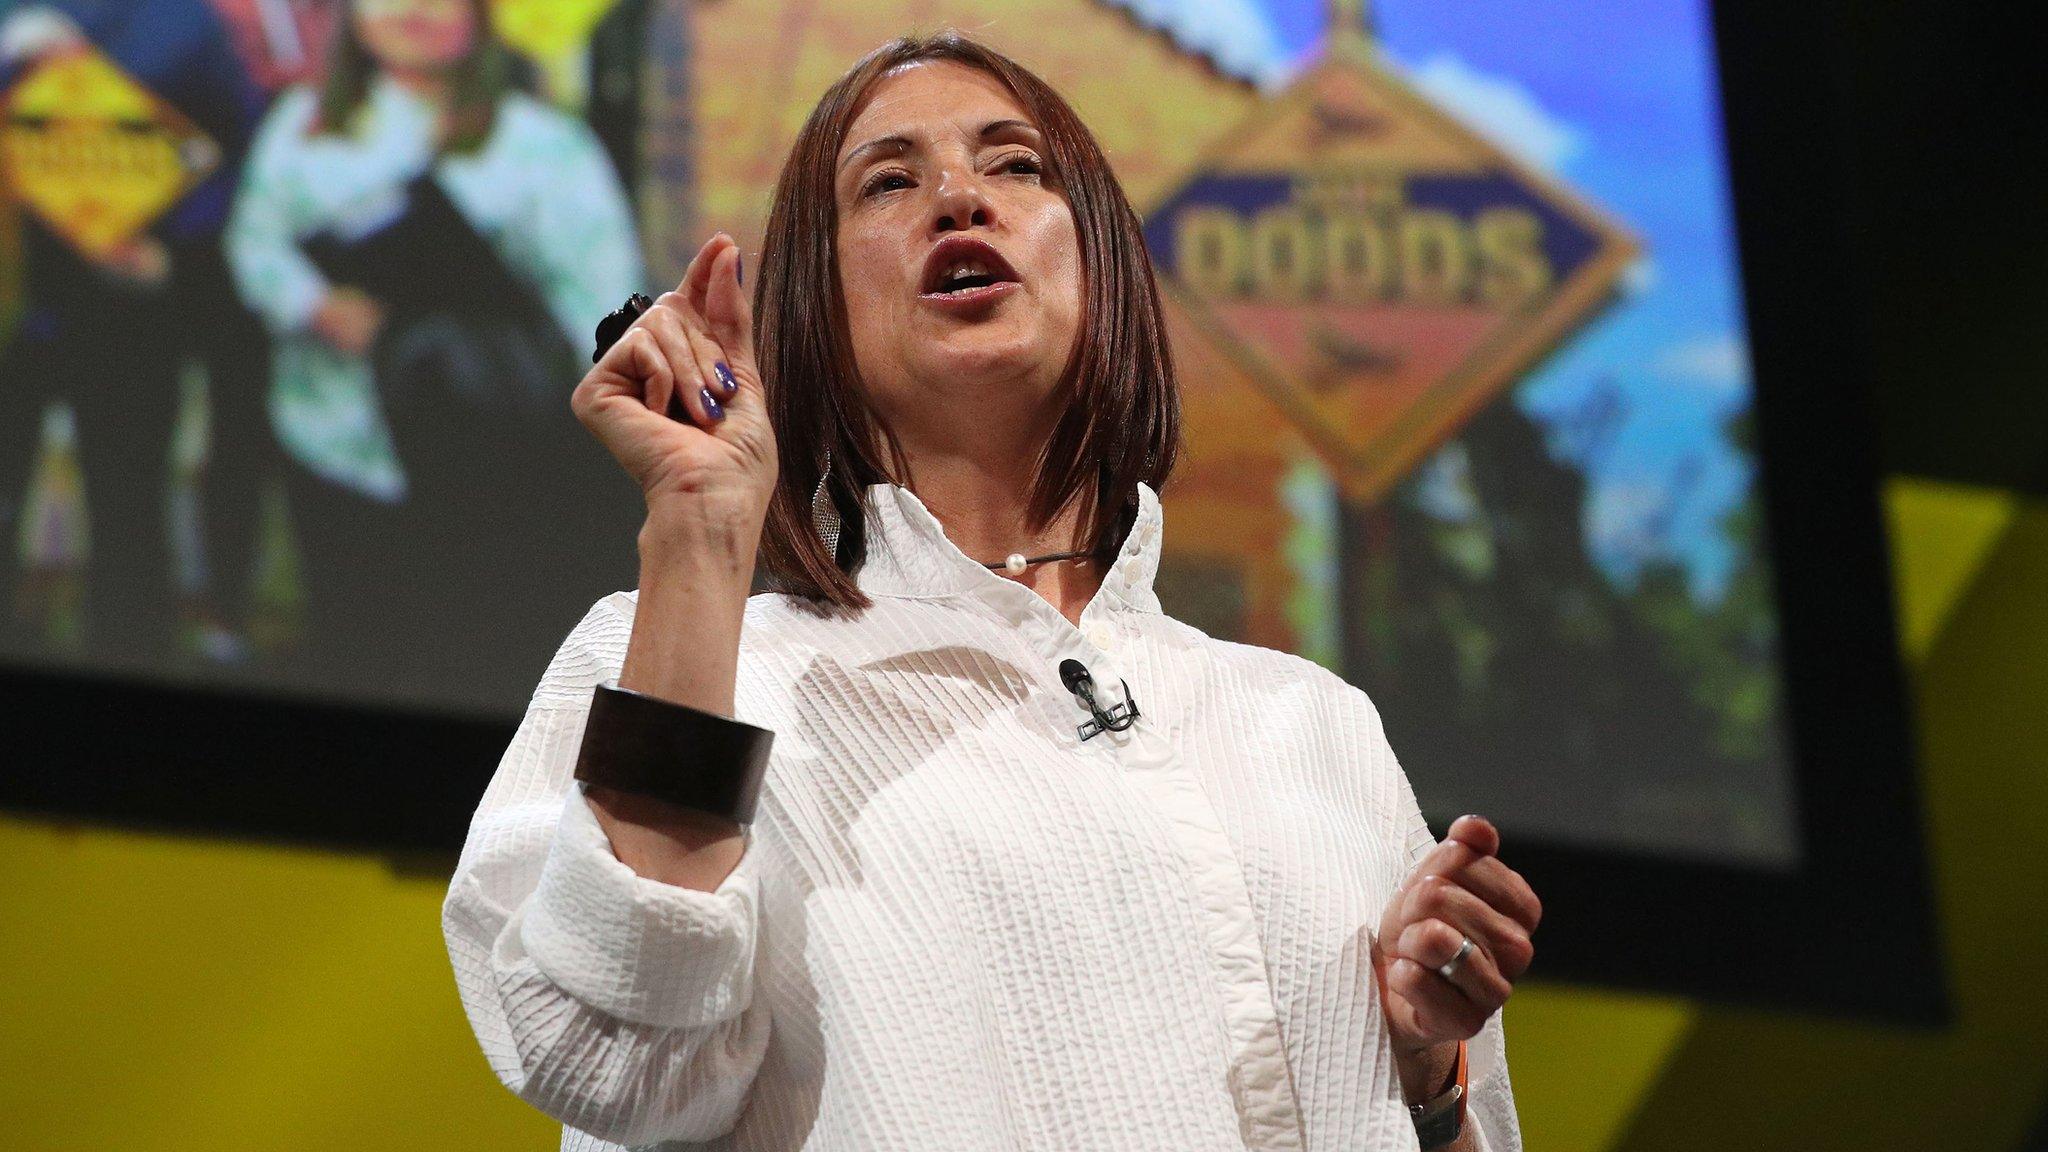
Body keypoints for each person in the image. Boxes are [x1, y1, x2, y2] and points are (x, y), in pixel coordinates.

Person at [443, 33, 1542, 1152]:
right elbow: (607, 1057)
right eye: (888, 181)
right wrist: (700, 528)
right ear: (816, 312)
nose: (959, 197)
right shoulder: (694, 666)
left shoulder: (1312, 725)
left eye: (1014, 166)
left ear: (1100, 265)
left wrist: (1423, 1080)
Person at [224, 0, 645, 709]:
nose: (415, 8)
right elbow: (252, 243)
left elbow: (604, 301)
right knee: (356, 659)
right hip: (335, 443)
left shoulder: (541, 142)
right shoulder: (302, 128)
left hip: (493, 462)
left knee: (480, 669)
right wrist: (316, 307)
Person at [0, 0, 271, 669]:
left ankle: (127, 676)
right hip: (13, 292)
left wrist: (173, 249)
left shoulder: (182, 21)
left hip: (123, 308)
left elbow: (242, 150)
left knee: (128, 512)